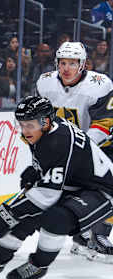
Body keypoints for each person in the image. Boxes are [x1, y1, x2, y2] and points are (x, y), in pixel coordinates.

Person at [0, 96, 113, 279]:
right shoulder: (46, 130)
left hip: (102, 191)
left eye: (29, 125)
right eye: (22, 124)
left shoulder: (58, 140)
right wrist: (37, 171)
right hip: (74, 183)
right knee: (26, 215)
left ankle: (38, 265)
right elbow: (57, 167)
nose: (25, 131)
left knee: (56, 218)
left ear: (46, 122)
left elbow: (46, 195)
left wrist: (5, 213)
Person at [36, 41, 113, 262]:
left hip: (102, 146)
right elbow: (39, 117)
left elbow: (104, 123)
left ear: (83, 64)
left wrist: (81, 148)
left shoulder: (100, 84)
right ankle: (81, 240)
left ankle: (99, 236)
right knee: (67, 193)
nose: (67, 68)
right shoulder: (45, 83)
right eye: (62, 63)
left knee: (105, 191)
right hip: (64, 148)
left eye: (72, 63)